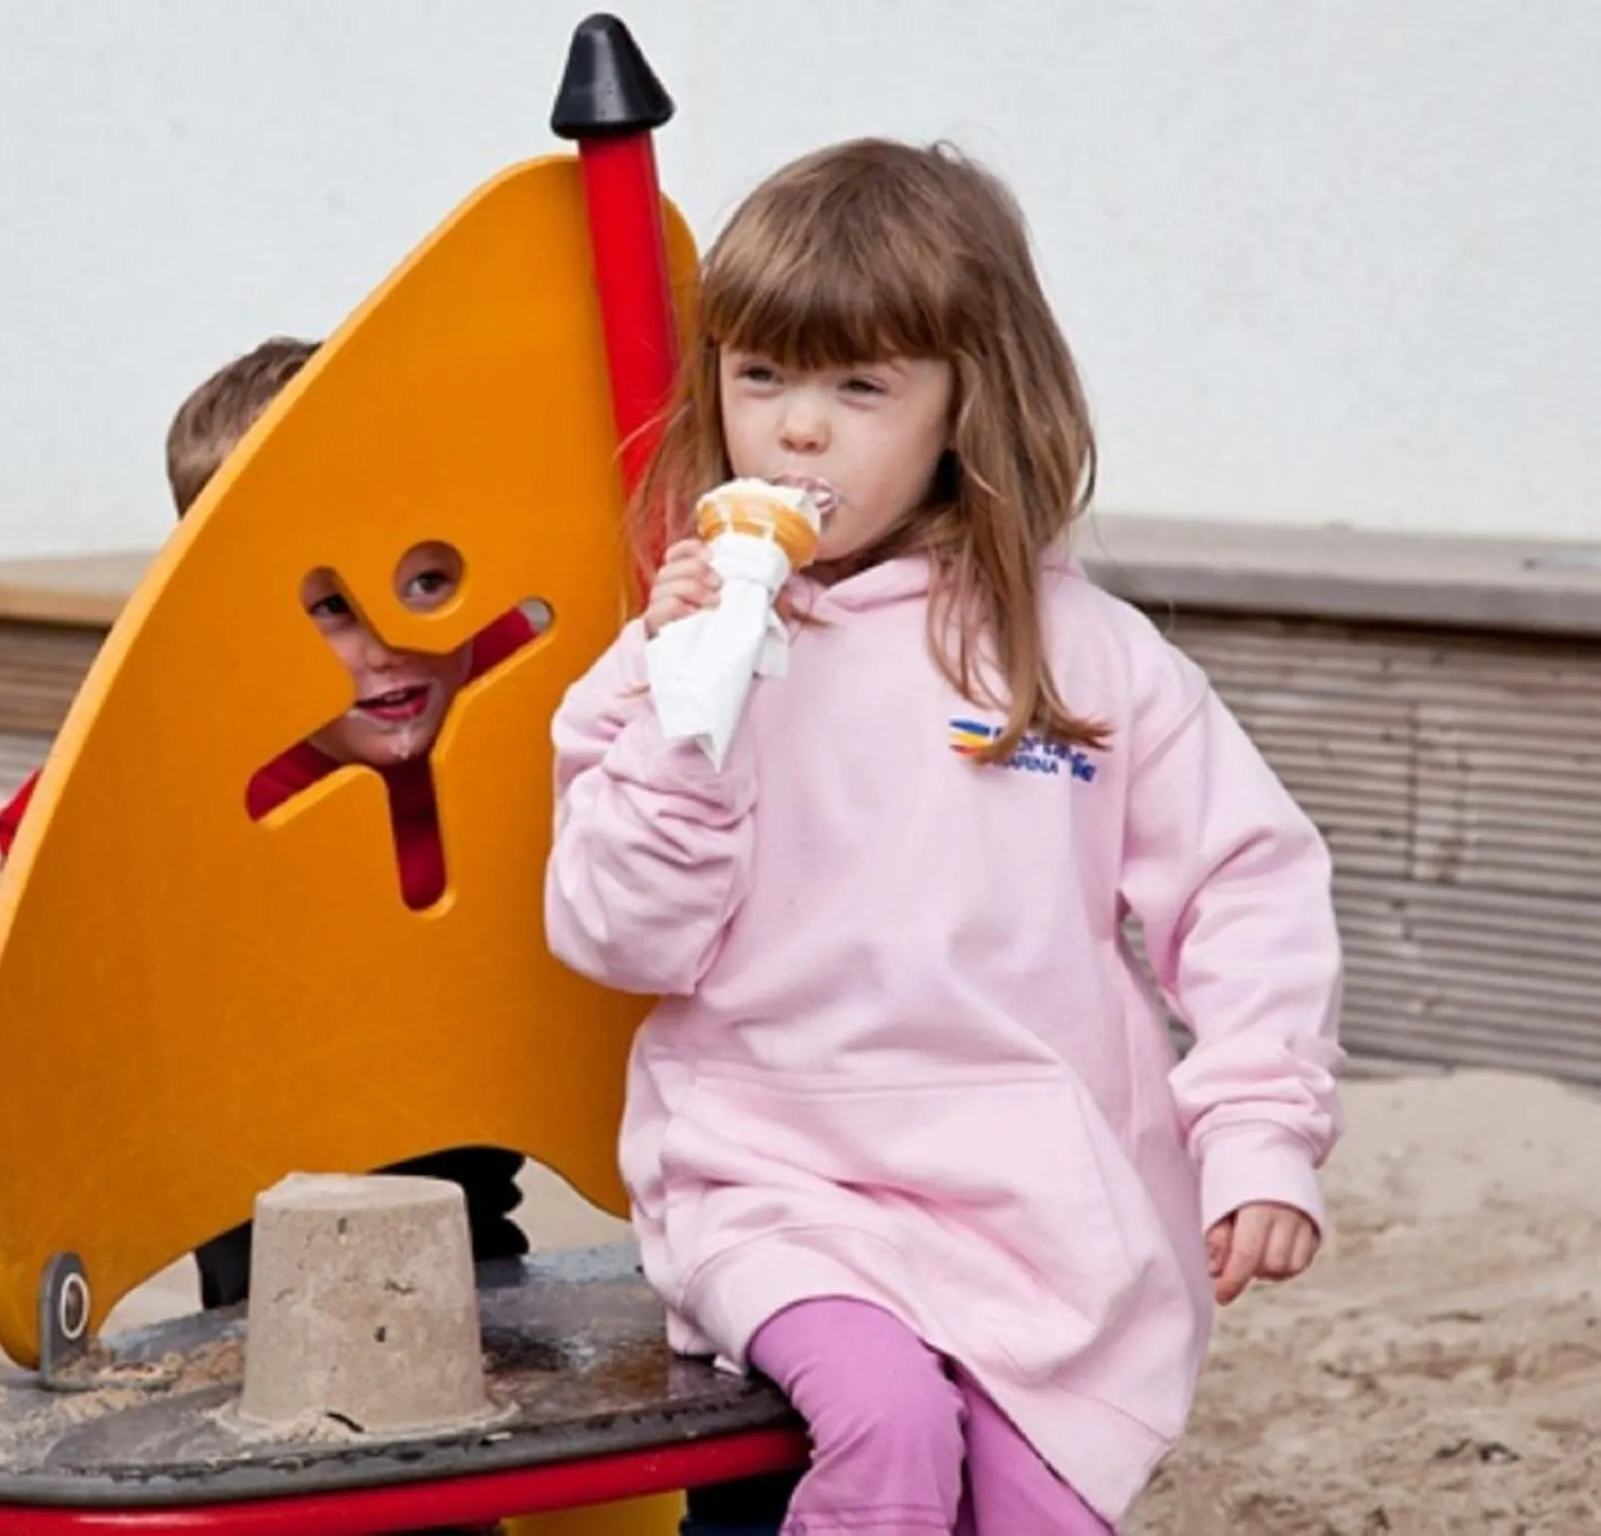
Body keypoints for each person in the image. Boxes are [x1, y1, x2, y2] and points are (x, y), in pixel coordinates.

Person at [544, 139, 1344, 1535]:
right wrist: (685, 708)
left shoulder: (1081, 656)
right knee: (886, 1426)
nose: (798, 431)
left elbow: (1244, 885)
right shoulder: (663, 665)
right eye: (761, 377)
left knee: (1045, 1506)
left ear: (966, 404)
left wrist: (1260, 1131)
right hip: (775, 1173)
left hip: (1035, 1193)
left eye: (860, 386)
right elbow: (618, 936)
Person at [0, 334, 532, 1314]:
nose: (381, 648)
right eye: (329, 608)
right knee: (265, 1321)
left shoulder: (496, 679)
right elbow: (43, 847)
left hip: (456, 1102)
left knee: (484, 1283)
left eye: (419, 584)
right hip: (262, 1147)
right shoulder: (227, 757)